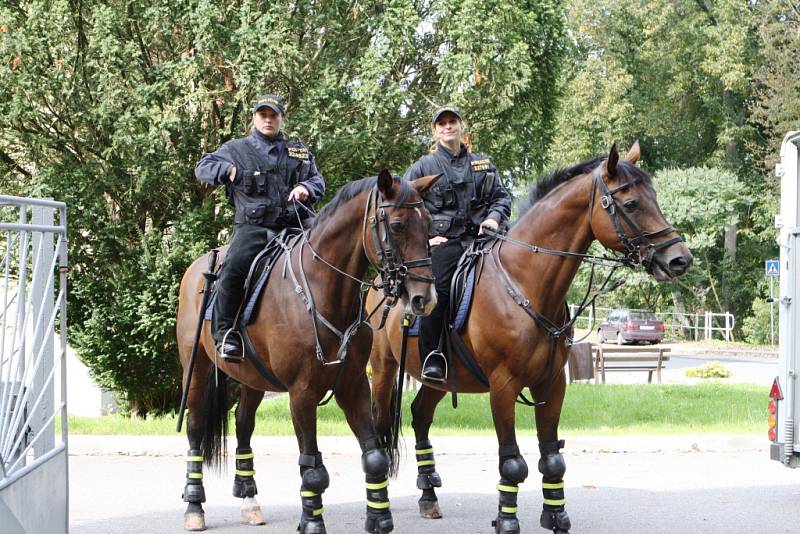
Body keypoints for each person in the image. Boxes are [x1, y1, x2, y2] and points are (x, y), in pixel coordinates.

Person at [195, 94, 325, 361]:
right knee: (235, 265)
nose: (268, 120)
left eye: (273, 115)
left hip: (295, 223)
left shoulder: (298, 150)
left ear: (281, 119)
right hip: (254, 227)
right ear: (255, 118)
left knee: (332, 250)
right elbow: (203, 167)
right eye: (263, 115)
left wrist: (305, 187)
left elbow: (317, 179)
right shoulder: (236, 149)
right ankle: (225, 333)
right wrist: (228, 171)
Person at [404, 106, 512, 382]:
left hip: (484, 240)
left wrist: (493, 219)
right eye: (442, 123)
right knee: (437, 290)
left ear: (462, 127)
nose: (448, 127)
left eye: (453, 122)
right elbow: (403, 209)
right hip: (445, 244)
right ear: (435, 131)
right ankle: (433, 356)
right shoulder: (422, 168)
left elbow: (501, 198)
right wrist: (427, 238)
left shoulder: (483, 164)